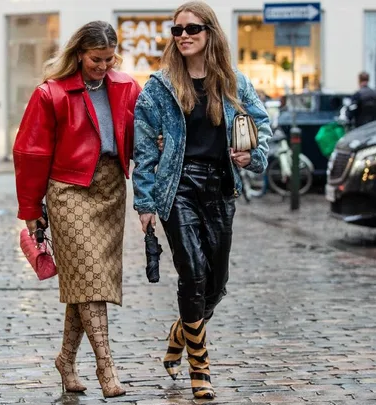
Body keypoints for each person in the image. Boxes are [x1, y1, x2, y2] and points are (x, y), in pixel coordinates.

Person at [132, 1, 271, 399]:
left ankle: (181, 332)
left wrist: (252, 155)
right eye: (177, 30)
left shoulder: (232, 83)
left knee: (216, 285)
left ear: (209, 32)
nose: (184, 36)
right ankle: (200, 368)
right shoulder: (158, 88)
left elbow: (261, 124)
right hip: (177, 190)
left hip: (220, 189)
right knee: (192, 274)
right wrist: (144, 203)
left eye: (192, 28)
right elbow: (144, 151)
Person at [13, 21, 141, 398]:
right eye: (95, 59)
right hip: (68, 190)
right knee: (89, 277)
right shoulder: (50, 93)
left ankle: (65, 361)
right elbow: (30, 152)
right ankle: (107, 368)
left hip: (110, 189)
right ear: (79, 54)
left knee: (88, 282)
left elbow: (140, 137)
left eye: (108, 59)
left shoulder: (126, 87)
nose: (103, 66)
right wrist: (30, 208)